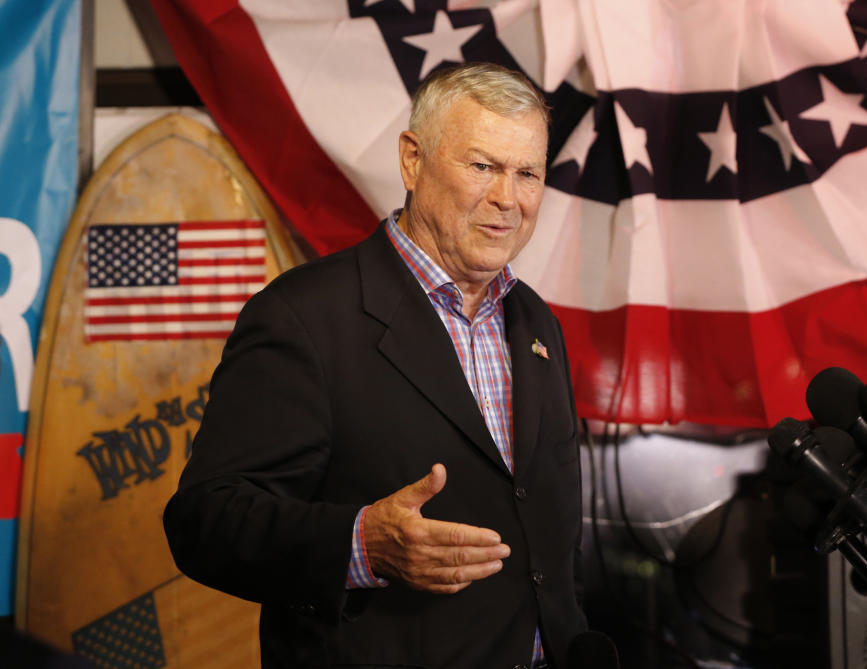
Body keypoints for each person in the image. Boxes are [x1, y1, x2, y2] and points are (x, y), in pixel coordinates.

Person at [163, 62, 587, 669]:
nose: (508, 199)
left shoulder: (536, 324)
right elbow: (204, 521)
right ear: (412, 160)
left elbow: (552, 548)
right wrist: (360, 544)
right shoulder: (300, 318)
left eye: (527, 174)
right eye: (483, 166)